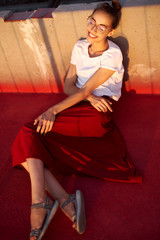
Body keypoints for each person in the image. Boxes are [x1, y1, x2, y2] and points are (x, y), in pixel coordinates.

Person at [11, 1, 142, 239]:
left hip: (97, 112)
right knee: (28, 137)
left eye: (102, 27)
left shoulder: (112, 54)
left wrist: (55, 109)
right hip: (81, 102)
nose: (93, 29)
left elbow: (80, 90)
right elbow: (69, 85)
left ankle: (42, 203)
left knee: (28, 136)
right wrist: (87, 96)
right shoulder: (80, 46)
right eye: (92, 21)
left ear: (111, 31)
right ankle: (62, 199)